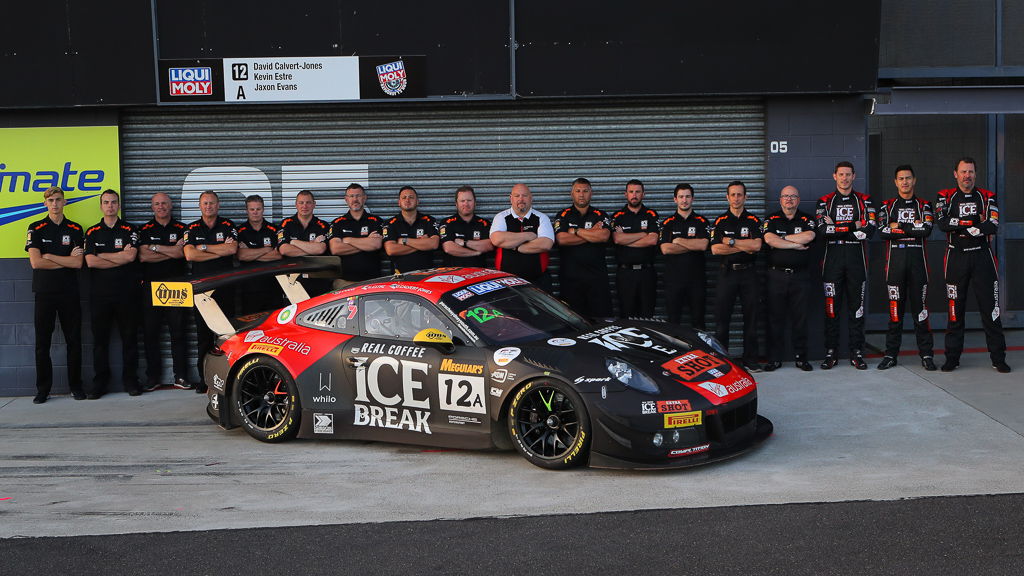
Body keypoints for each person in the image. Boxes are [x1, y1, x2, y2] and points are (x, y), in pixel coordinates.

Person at [935, 157, 1010, 373]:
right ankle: (952, 358)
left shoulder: (987, 196)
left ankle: (998, 358)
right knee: (954, 311)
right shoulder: (945, 196)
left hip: (982, 257)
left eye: (971, 172)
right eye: (963, 171)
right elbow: (942, 223)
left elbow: (992, 224)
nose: (967, 175)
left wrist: (962, 226)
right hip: (955, 257)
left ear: (975, 174)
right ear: (955, 174)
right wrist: (974, 222)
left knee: (991, 310)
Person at [25, 186, 85, 404]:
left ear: (65, 202)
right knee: (42, 343)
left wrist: (50, 255)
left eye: (58, 200)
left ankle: (76, 386)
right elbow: (36, 262)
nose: (55, 204)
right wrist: (63, 260)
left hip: (70, 293)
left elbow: (78, 263)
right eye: (50, 200)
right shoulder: (36, 228)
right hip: (44, 293)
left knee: (74, 341)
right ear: (45, 203)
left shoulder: (76, 229)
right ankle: (43, 390)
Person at [816, 161, 876, 370]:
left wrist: (838, 227)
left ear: (854, 176)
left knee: (856, 309)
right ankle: (830, 352)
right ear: (834, 176)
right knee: (831, 308)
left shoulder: (865, 200)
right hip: (832, 261)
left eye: (848, 174)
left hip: (856, 260)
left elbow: (870, 229)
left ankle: (856, 352)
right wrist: (853, 226)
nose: (844, 178)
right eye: (841, 174)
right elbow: (823, 230)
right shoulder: (824, 202)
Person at [876, 166, 936, 371]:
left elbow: (926, 229)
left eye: (908, 178)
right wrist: (912, 227)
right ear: (895, 182)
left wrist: (898, 226)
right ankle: (891, 355)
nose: (904, 182)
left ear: (914, 180)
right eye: (901, 178)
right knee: (895, 314)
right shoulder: (887, 206)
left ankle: (927, 355)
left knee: (921, 313)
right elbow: (882, 231)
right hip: (895, 267)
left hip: (919, 267)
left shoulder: (925, 205)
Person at [84, 190, 141, 398]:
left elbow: (131, 257)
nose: (110, 206)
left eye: (113, 202)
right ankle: (100, 383)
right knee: (100, 341)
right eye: (106, 202)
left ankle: (131, 381)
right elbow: (90, 261)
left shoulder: (130, 230)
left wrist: (103, 255)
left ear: (118, 205)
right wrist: (119, 256)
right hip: (100, 296)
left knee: (130, 339)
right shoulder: (92, 232)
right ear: (101, 206)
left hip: (126, 294)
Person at [184, 190, 237, 393]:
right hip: (202, 292)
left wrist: (203, 248)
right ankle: (204, 380)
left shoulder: (228, 225)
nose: (209, 206)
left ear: (218, 205)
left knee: (227, 336)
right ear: (200, 206)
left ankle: (228, 378)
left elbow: (232, 250)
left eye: (212, 203)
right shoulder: (192, 228)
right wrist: (217, 249)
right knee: (203, 337)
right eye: (205, 203)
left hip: (225, 289)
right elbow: (189, 255)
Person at [138, 192, 192, 392]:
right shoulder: (144, 229)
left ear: (171, 206)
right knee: (151, 334)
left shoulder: (181, 228)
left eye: (164, 203)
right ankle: (153, 377)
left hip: (177, 286)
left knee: (178, 333)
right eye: (157, 204)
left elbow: (182, 254)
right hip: (150, 287)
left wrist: (154, 248)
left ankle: (181, 376)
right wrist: (168, 250)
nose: (161, 207)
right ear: (152, 207)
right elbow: (142, 256)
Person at [710, 181, 764, 373]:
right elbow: (715, 249)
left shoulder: (753, 220)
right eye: (732, 195)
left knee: (751, 318)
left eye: (739, 194)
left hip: (749, 273)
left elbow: (757, 246)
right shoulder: (720, 221)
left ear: (746, 197)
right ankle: (723, 361)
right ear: (727, 197)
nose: (736, 198)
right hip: (728, 273)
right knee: (722, 320)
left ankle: (751, 360)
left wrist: (731, 242)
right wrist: (744, 245)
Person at [761, 185, 816, 372]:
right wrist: (794, 244)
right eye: (785, 196)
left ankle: (801, 358)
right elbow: (769, 240)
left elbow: (809, 236)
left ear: (798, 200)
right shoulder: (771, 219)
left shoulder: (807, 219)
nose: (789, 199)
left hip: (800, 277)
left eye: (793, 196)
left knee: (800, 319)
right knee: (775, 319)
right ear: (780, 199)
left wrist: (782, 240)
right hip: (776, 276)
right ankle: (774, 359)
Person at [554, 178, 613, 318]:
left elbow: (604, 236)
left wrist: (575, 231)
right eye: (578, 191)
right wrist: (592, 233)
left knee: (601, 321)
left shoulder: (600, 215)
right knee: (574, 322)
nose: (581, 194)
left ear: (591, 193)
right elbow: (561, 239)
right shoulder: (563, 215)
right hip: (571, 280)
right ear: (571, 193)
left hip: (597, 279)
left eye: (585, 191)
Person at [659, 183, 710, 329]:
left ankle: (701, 351)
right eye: (681, 197)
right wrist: (691, 245)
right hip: (673, 280)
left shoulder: (701, 222)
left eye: (687, 196)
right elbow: (666, 249)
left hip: (697, 280)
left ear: (692, 199)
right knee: (673, 322)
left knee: (698, 321)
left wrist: (680, 241)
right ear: (675, 199)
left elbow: (703, 246)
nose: (684, 200)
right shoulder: (668, 224)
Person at [489, 183, 555, 290]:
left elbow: (546, 244)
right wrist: (529, 235)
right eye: (517, 196)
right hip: (507, 281)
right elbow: (496, 240)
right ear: (511, 198)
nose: (521, 199)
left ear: (531, 198)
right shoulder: (501, 217)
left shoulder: (541, 218)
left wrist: (516, 247)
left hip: (538, 281)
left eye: (524, 195)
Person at [612, 179, 659, 318]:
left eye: (638, 192)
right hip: (625, 274)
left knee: (647, 316)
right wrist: (643, 234)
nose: (634, 195)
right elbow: (616, 239)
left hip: (646, 273)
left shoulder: (651, 215)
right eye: (631, 192)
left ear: (643, 194)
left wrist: (626, 239)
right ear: (625, 194)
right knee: (626, 315)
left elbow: (653, 240)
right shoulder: (618, 216)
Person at [278, 190, 331, 296]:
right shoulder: (286, 224)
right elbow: (284, 250)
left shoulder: (323, 225)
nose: (304, 206)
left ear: (314, 204)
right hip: (293, 282)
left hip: (318, 281)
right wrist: (312, 246)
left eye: (308, 202)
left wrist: (293, 242)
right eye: (301, 203)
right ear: (296, 205)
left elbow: (320, 249)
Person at [236, 194, 283, 313]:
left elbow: (278, 255)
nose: (255, 212)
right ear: (247, 211)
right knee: (251, 328)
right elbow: (242, 256)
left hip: (273, 287)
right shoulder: (240, 231)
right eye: (252, 209)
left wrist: (251, 253)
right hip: (249, 288)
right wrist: (267, 250)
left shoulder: (274, 230)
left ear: (263, 210)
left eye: (258, 209)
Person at [330, 183, 384, 282]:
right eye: (351, 196)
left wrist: (347, 240)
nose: (355, 199)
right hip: (344, 281)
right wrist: (366, 242)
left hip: (373, 281)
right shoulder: (338, 223)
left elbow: (375, 244)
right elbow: (336, 249)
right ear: (346, 199)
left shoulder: (376, 221)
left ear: (364, 198)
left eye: (358, 196)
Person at [382, 186, 440, 274]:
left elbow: (434, 244)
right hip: (400, 277)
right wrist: (422, 244)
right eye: (404, 197)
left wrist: (404, 241)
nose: (407, 200)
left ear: (417, 201)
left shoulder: (429, 220)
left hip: (425, 276)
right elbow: (391, 250)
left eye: (411, 197)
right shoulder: (390, 223)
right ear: (399, 202)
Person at [440, 185, 493, 268]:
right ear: (456, 204)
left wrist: (464, 243)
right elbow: (449, 248)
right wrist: (476, 252)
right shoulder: (447, 223)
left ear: (475, 203)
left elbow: (489, 246)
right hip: (452, 275)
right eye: (462, 201)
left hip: (478, 273)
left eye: (469, 200)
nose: (466, 203)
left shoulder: (484, 223)